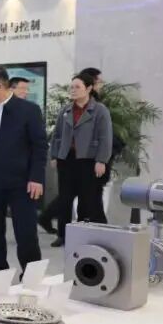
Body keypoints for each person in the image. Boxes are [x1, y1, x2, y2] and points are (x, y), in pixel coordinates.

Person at [0, 66, 47, 288]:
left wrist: (36, 177)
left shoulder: (29, 110)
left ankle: (32, 277)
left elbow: (40, 146)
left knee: (26, 232)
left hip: (22, 183)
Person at [48, 72, 113, 246]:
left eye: (77, 87)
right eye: (71, 87)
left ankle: (83, 234)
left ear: (89, 88)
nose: (73, 90)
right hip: (66, 160)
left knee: (87, 199)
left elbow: (106, 137)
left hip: (88, 160)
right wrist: (55, 155)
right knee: (65, 199)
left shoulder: (100, 110)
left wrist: (101, 160)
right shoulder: (66, 110)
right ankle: (62, 235)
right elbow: (56, 135)